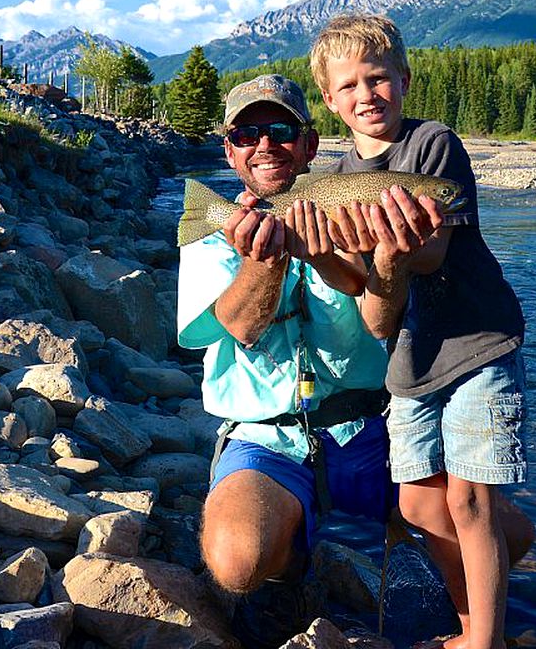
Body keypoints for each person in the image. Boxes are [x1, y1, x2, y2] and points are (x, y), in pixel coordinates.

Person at [176, 73, 441, 647]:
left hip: (374, 430)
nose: (264, 145)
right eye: (248, 133)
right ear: (229, 149)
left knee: (501, 534)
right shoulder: (209, 236)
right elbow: (241, 327)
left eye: (280, 131)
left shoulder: (356, 210)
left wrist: (375, 257)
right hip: (266, 439)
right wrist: (265, 257)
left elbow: (384, 319)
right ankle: (292, 567)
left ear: (311, 144)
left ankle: (420, 579)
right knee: (238, 563)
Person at [310, 14, 535, 649]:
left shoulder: (434, 146)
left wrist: (391, 243)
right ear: (330, 101)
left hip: (478, 341)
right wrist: (313, 250)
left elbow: (432, 256)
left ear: (404, 81)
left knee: (468, 503)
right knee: (416, 507)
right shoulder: (332, 183)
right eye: (349, 85)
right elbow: (369, 302)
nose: (365, 95)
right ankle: (477, 610)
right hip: (410, 358)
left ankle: (483, 639)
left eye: (378, 79)